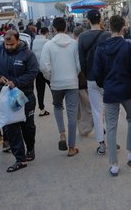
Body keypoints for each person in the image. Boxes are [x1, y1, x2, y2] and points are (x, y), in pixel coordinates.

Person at [94, 15, 131, 177]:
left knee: (112, 125)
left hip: (110, 91)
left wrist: (105, 85)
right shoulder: (128, 47)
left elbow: (97, 73)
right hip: (127, 89)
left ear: (109, 28)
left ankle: (114, 164)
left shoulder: (101, 48)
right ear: (123, 27)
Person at [0, 30, 39, 173]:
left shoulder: (27, 54)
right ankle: (20, 159)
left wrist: (16, 82)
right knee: (11, 127)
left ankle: (31, 148)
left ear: (18, 41)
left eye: (12, 44)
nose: (8, 47)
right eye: (6, 44)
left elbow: (33, 72)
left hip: (25, 96)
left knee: (28, 126)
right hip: (5, 97)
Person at [39, 17, 80, 157]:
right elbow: (79, 65)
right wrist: (74, 74)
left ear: (54, 29)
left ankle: (62, 134)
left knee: (57, 107)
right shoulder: (74, 44)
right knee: (72, 113)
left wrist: (51, 78)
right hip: (72, 83)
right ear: (66, 28)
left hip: (56, 84)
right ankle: (72, 147)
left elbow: (44, 66)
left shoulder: (48, 45)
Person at [77, 9, 111, 155]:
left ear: (88, 21)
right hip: (107, 78)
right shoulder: (108, 35)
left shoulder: (82, 37)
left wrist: (87, 74)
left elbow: (81, 61)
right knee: (111, 110)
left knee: (97, 111)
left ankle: (101, 144)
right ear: (101, 20)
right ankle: (112, 140)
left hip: (91, 78)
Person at [73, 25, 94, 136]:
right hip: (85, 80)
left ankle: (84, 129)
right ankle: (87, 127)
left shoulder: (74, 45)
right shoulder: (83, 45)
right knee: (88, 106)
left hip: (75, 82)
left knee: (80, 108)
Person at [31, 27, 51, 117]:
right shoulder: (48, 42)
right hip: (47, 70)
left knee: (40, 90)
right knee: (53, 88)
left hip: (37, 71)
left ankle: (41, 109)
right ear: (47, 33)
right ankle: (58, 104)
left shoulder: (33, 41)